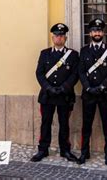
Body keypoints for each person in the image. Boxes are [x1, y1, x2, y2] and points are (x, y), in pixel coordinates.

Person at [31, 23, 79, 163]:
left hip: (65, 95)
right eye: (57, 35)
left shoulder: (73, 55)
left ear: (65, 37)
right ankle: (43, 150)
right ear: (53, 37)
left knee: (64, 124)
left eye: (62, 35)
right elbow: (39, 73)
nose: (59, 38)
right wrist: (48, 87)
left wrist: (64, 87)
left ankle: (65, 150)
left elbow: (75, 74)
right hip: (47, 95)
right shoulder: (44, 53)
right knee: (45, 123)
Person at [77, 18, 107, 166]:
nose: (97, 33)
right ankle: (84, 152)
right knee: (86, 125)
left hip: (105, 94)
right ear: (90, 33)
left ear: (103, 33)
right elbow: (81, 71)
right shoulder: (84, 50)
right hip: (89, 94)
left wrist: (102, 86)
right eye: (94, 30)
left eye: (99, 30)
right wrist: (88, 87)